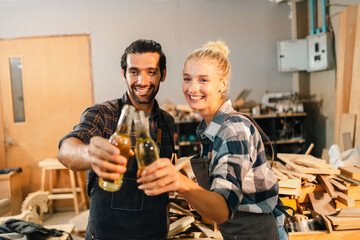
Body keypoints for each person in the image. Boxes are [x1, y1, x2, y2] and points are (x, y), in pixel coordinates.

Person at [137, 41, 287, 240]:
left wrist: (179, 182)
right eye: (187, 78)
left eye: (203, 80)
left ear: (222, 84)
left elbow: (222, 209)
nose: (192, 88)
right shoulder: (210, 129)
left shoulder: (233, 130)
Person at [57, 39, 175, 240]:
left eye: (151, 71)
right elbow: (67, 149)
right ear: (124, 74)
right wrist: (89, 154)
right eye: (134, 72)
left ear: (162, 74)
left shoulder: (167, 121)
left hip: (155, 234)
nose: (142, 81)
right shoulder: (103, 114)